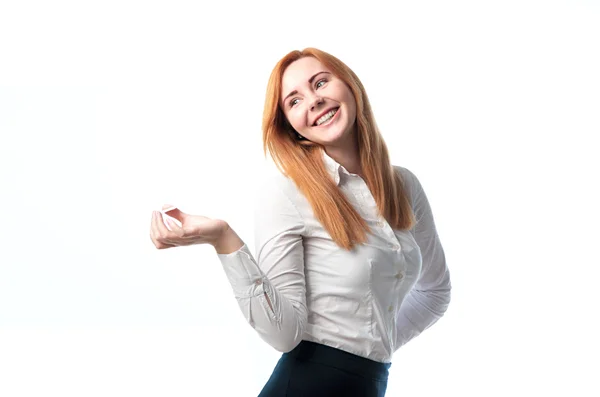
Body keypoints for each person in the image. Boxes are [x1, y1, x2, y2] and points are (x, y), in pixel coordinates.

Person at [149, 48, 451, 397]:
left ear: (349, 85)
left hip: (368, 383)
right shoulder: (285, 193)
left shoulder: (405, 186)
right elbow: (283, 335)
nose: (314, 100)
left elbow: (435, 292)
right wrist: (225, 240)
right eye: (294, 101)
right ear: (290, 126)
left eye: (321, 82)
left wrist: (370, 348)